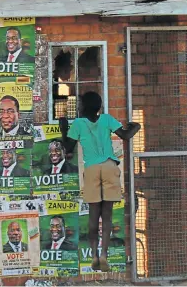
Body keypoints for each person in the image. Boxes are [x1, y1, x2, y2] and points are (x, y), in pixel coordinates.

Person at [60, 91, 140, 272]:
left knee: (93, 215)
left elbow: (68, 147)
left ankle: (94, 256)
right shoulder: (106, 119)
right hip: (110, 167)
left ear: (84, 106)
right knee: (108, 215)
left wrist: (63, 128)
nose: (78, 107)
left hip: (92, 170)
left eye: (79, 104)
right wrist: (136, 126)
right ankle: (104, 255)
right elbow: (126, 135)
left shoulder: (79, 124)